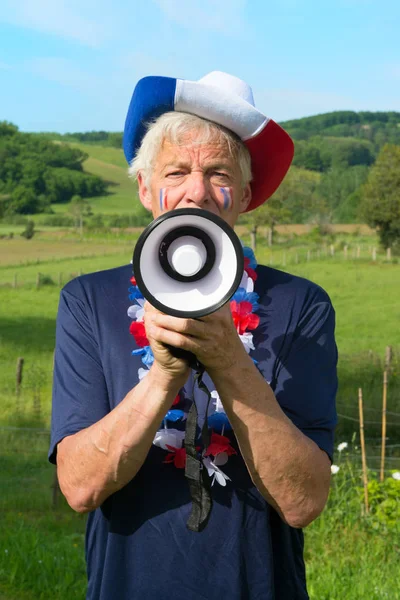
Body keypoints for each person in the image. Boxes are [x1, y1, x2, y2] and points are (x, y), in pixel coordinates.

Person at [49, 71, 338, 600]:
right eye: (176, 170)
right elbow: (79, 487)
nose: (197, 191)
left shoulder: (299, 305)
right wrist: (163, 377)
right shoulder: (88, 302)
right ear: (143, 188)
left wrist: (230, 361)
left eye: (219, 173)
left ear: (245, 195)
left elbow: (304, 502)